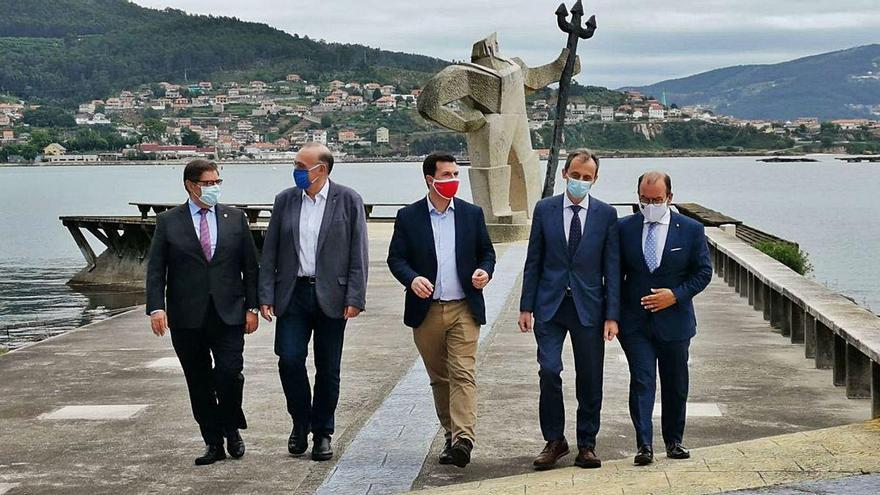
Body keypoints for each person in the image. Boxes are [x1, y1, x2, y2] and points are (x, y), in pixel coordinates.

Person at [259, 142, 368, 462]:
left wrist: (356, 297)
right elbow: (271, 251)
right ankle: (299, 421)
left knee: (328, 368)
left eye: (301, 166)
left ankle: (322, 432)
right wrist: (265, 294)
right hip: (292, 294)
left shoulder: (348, 200)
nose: (296, 171)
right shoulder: (285, 200)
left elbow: (358, 252)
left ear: (321, 169)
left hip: (332, 296)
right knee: (289, 359)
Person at [146, 159, 259, 466]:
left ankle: (231, 426)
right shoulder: (169, 221)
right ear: (190, 185)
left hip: (229, 313)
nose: (214, 188)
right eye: (208, 184)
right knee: (198, 381)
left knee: (229, 374)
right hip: (186, 316)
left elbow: (250, 266)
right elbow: (156, 269)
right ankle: (213, 442)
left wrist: (252, 306)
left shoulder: (235, 218)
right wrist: (156, 308)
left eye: (217, 182)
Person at [387, 152, 496, 468]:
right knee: (440, 377)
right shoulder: (409, 217)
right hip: (427, 311)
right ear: (429, 180)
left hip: (464, 307)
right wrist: (412, 279)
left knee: (463, 372)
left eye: (455, 174)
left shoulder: (471, 214)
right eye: (446, 175)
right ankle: (451, 435)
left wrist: (484, 272)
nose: (453, 181)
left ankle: (464, 439)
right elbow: (397, 259)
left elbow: (486, 253)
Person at [519, 149, 620, 470]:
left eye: (586, 178)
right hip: (549, 305)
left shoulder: (606, 214)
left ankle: (587, 444)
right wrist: (525, 306)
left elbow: (613, 268)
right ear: (565, 174)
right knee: (549, 370)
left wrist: (612, 315)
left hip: (589, 307)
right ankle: (554, 440)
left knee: (590, 378)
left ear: (595, 180)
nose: (580, 181)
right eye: (575, 175)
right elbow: (533, 260)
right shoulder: (545, 209)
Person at [617, 171, 712, 466]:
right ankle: (644, 444)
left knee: (675, 383)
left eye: (656, 199)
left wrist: (676, 295)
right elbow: (614, 273)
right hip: (635, 323)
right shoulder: (624, 228)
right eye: (645, 199)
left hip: (676, 321)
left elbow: (703, 273)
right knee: (642, 380)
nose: (650, 204)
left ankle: (674, 440)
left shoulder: (691, 230)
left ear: (670, 198)